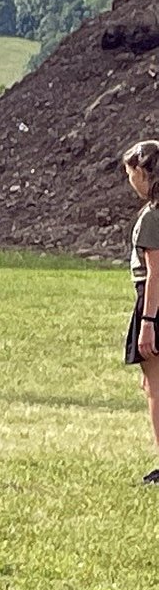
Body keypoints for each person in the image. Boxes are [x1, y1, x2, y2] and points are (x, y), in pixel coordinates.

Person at [122, 141, 159, 482]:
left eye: (131, 173)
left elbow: (154, 273)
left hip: (152, 300)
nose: (130, 180)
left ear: (144, 173)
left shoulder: (151, 216)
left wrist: (148, 321)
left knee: (155, 385)